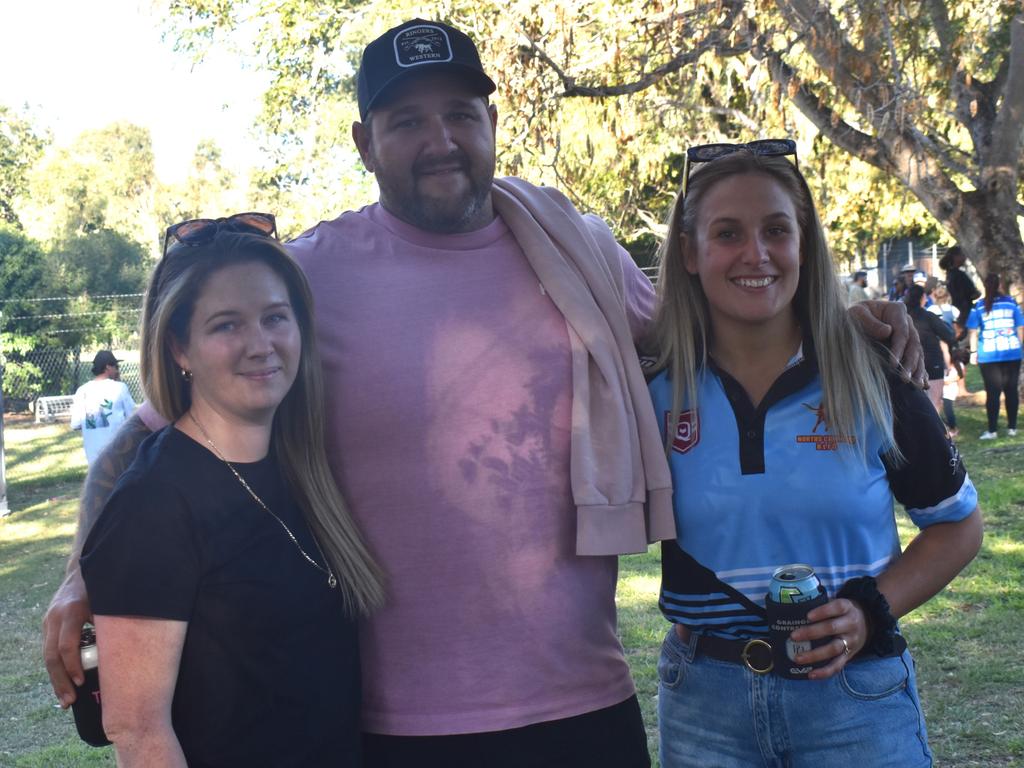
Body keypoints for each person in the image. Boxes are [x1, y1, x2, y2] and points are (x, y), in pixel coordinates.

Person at [42, 19, 925, 768]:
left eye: (461, 114)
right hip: (390, 719)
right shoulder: (303, 280)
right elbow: (150, 436)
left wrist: (848, 317)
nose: (440, 141)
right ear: (363, 142)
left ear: (492, 121)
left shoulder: (574, 247)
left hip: (583, 700)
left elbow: (717, 330)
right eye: (407, 120)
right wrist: (82, 576)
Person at [647, 142, 982, 767]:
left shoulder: (871, 371)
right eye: (728, 233)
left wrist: (868, 610)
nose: (757, 254)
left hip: (853, 701)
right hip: (703, 706)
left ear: (805, 245)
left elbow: (958, 524)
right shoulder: (651, 387)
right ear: (690, 253)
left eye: (778, 230)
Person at [78, 216, 383, 766]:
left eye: (274, 317)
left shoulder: (299, 468)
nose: (260, 344)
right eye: (226, 325)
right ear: (180, 350)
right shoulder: (154, 503)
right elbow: (138, 731)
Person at [966, 272, 1024, 439]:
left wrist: (973, 352)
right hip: (1012, 352)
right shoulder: (1012, 303)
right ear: (999, 285)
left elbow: (973, 331)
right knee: (1011, 390)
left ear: (984, 286)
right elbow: (1020, 327)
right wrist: (1020, 346)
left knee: (993, 393)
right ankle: (1012, 428)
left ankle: (992, 430)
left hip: (988, 354)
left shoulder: (978, 306)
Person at [69, 351, 136, 464]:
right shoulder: (119, 388)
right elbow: (133, 418)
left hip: (93, 458)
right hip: (118, 454)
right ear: (108, 367)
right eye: (116, 366)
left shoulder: (82, 391)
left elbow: (75, 424)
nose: (117, 370)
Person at [904, 284, 957, 413]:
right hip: (932, 362)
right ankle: (933, 431)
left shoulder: (903, 317)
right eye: (925, 297)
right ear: (922, 298)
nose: (927, 300)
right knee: (934, 402)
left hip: (910, 363)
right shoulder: (928, 316)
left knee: (914, 403)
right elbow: (948, 335)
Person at [939, 245, 980, 339]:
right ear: (955, 257)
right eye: (962, 255)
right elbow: (973, 294)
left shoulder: (949, 274)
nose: (964, 257)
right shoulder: (960, 275)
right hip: (965, 314)